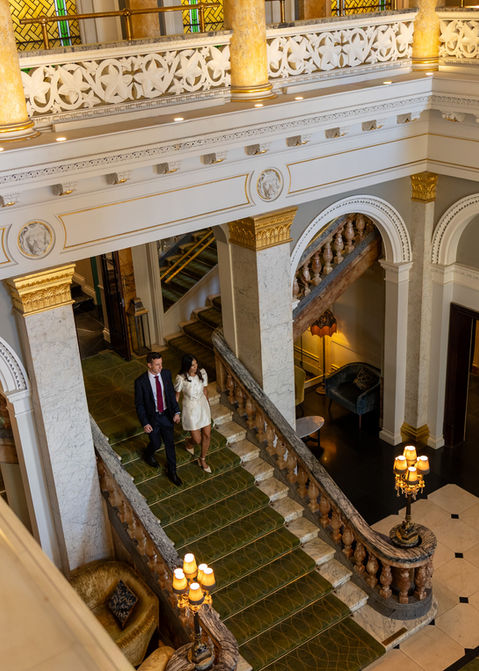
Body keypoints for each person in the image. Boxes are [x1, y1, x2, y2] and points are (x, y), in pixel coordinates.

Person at [134, 351, 182, 486]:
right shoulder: (140, 382)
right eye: (157, 365)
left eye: (161, 364)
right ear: (149, 365)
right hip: (153, 418)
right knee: (156, 443)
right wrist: (145, 422)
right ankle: (148, 454)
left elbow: (171, 395)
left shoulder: (166, 374)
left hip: (166, 415)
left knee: (170, 444)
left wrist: (176, 411)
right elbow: (140, 405)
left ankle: (172, 471)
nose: (160, 367)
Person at [174, 354, 212, 474]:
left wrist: (208, 405)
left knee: (207, 435)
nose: (195, 367)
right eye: (192, 365)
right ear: (187, 366)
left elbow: (205, 390)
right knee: (197, 439)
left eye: (196, 364)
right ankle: (189, 442)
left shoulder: (202, 373)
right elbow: (177, 396)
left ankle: (202, 459)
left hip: (203, 406)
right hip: (190, 409)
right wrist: (176, 412)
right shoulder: (180, 378)